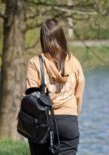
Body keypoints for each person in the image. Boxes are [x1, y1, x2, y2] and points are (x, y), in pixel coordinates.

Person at [26, 19, 85, 155]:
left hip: (43, 122)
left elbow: (30, 97)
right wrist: (73, 114)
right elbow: (78, 96)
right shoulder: (74, 62)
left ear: (43, 38)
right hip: (69, 120)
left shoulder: (35, 63)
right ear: (61, 37)